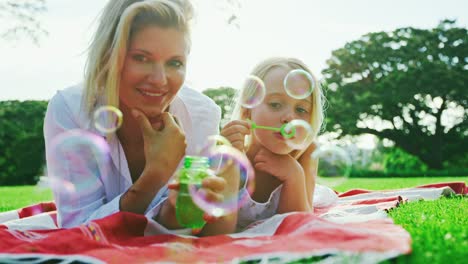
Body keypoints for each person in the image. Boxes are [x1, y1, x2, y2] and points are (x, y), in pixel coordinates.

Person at [44, 0, 238, 236]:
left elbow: (193, 229)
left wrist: (182, 210)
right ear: (110, 56)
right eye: (141, 58)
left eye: (174, 62)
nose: (159, 79)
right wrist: (155, 175)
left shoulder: (202, 115)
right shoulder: (71, 110)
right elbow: (78, 230)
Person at [221, 57, 335, 230]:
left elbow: (300, 227)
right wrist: (229, 166)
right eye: (275, 104)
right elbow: (216, 231)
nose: (289, 117)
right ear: (248, 110)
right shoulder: (231, 150)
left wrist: (294, 175)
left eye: (301, 109)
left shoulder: (306, 151)